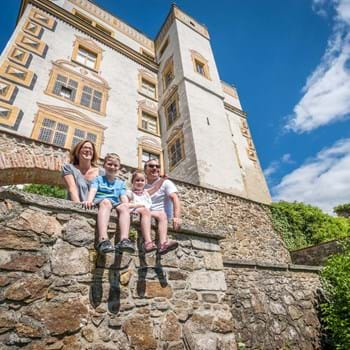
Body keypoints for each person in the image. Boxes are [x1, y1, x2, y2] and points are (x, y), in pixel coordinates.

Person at [83, 153, 134, 254]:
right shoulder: (98, 179)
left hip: (115, 202)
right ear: (104, 165)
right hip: (101, 200)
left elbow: (123, 197)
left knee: (124, 207)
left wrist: (128, 206)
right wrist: (89, 200)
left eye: (115, 165)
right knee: (106, 202)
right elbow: (93, 190)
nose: (112, 167)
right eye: (110, 164)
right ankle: (103, 239)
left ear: (118, 168)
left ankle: (124, 239)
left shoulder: (121, 183)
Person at [126, 170, 171, 254]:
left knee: (162, 214)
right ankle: (148, 242)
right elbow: (127, 205)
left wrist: (162, 179)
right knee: (145, 210)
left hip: (146, 212)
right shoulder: (129, 193)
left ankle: (163, 244)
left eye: (142, 180)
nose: (140, 182)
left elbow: (156, 188)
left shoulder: (145, 193)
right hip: (136, 210)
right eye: (137, 180)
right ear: (132, 182)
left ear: (145, 182)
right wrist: (138, 206)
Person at [144, 159, 181, 255]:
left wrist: (176, 217)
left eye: (157, 166)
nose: (155, 168)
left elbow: (175, 198)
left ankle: (163, 244)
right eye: (151, 166)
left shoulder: (166, 183)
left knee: (161, 214)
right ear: (145, 169)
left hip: (161, 215)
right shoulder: (142, 185)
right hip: (147, 214)